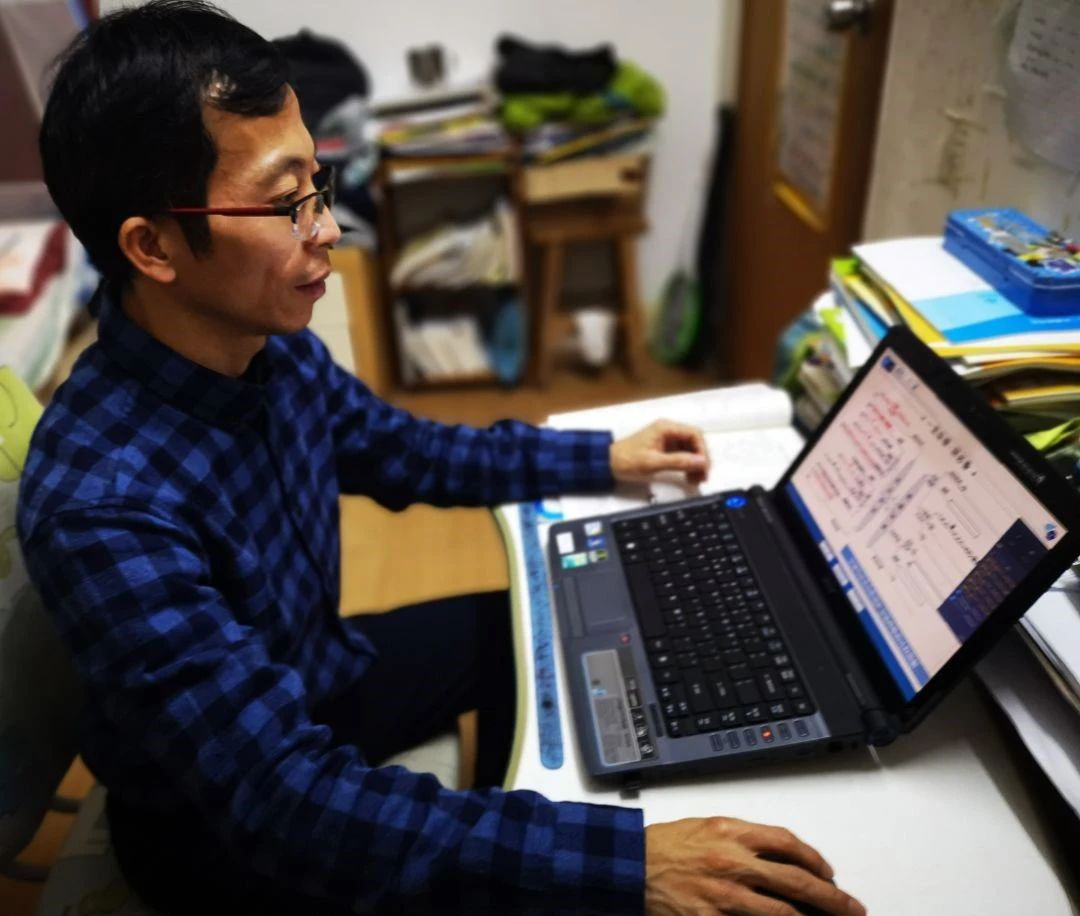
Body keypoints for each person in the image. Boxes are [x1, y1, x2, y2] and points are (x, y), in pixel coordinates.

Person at [18, 2, 866, 913]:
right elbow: (281, 799)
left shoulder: (264, 343)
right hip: (221, 834)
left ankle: (517, 819)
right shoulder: (104, 504)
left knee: (531, 633)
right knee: (562, 868)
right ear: (152, 247)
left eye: (316, 184)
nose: (326, 230)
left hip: (314, 681)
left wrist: (600, 457)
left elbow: (406, 452)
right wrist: (625, 863)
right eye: (283, 203)